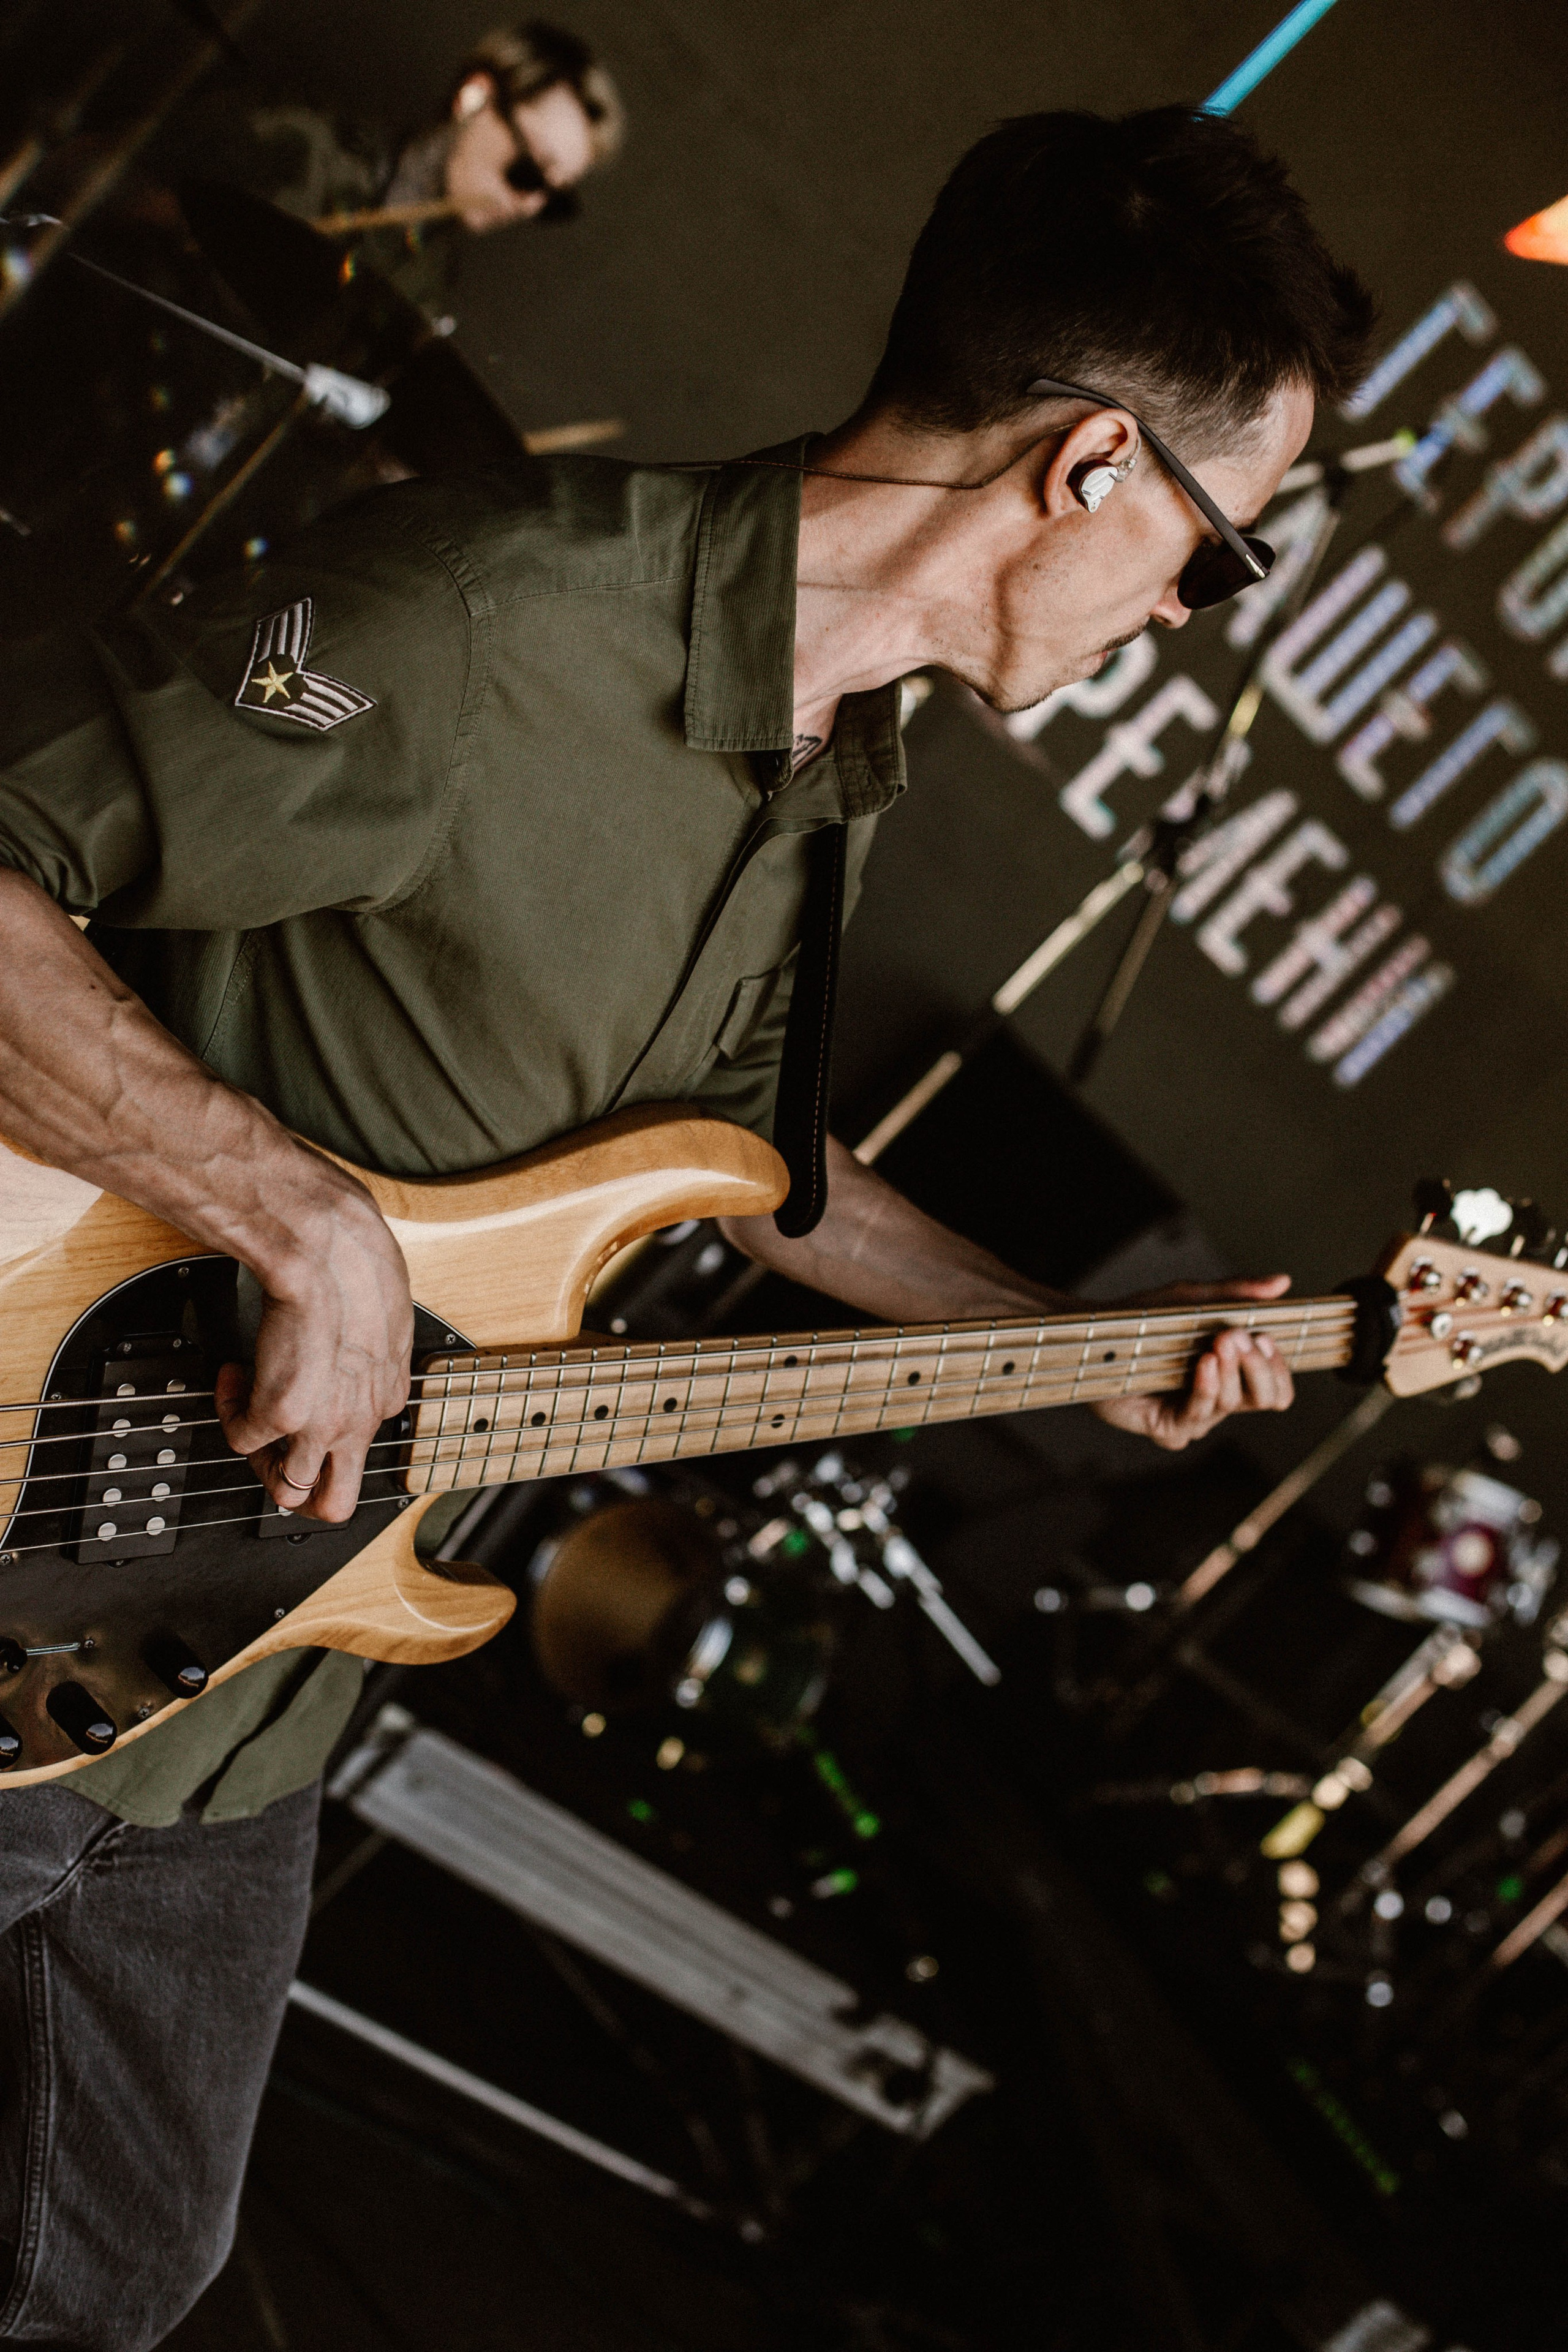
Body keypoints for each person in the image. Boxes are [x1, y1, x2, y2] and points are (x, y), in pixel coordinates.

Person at [0, 106, 1373, 2350]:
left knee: (115, 2264)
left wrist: (1064, 1333)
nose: (1177, 620)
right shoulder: (488, 616)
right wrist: (298, 1220)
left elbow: (746, 1164)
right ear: (1092, 466)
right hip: (34, 1526)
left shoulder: (829, 769)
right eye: (1217, 562)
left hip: (257, 1681)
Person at [156, 20, 625, 315]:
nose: (531, 203)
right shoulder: (297, 144)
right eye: (531, 169)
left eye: (554, 200)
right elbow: (121, 192)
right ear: (476, 98)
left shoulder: (427, 283)